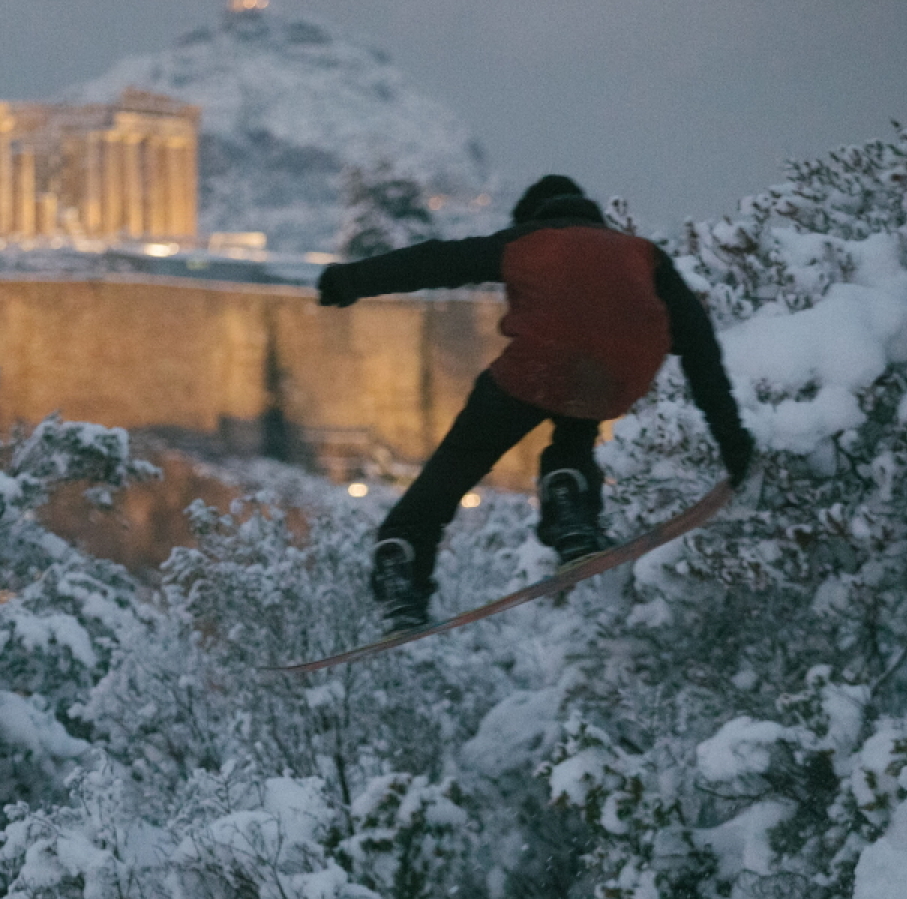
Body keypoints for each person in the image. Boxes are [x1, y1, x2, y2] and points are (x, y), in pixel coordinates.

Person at [316, 174, 753, 635]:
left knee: (457, 465)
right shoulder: (642, 255)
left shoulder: (528, 240)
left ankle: (402, 562)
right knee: (576, 428)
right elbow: (701, 347)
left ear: (531, 217)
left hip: (536, 367)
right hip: (621, 371)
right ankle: (570, 507)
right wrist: (733, 442)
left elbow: (435, 261)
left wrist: (348, 280)